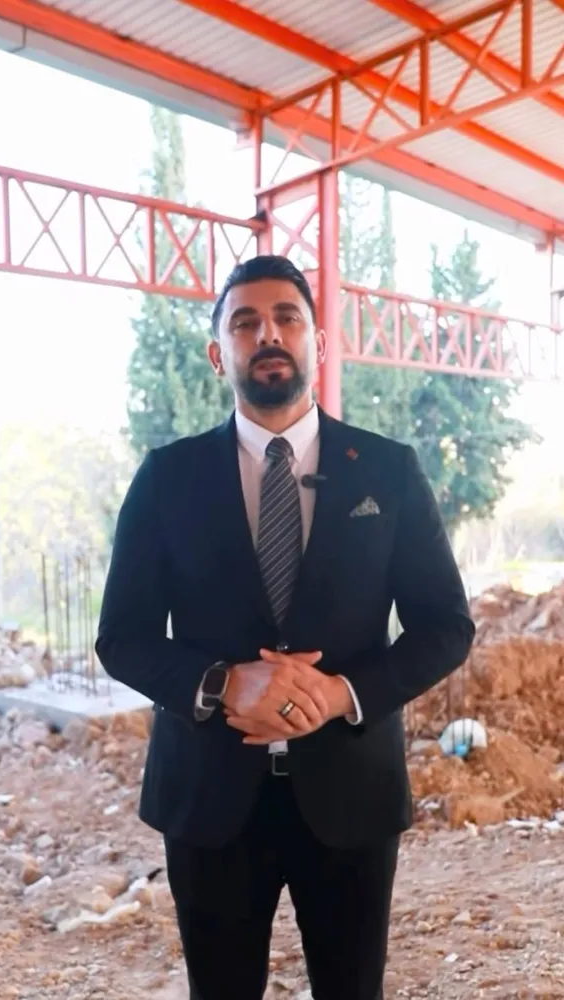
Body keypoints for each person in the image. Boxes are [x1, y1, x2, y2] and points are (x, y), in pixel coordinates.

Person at [96, 254, 475, 1000]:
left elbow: (446, 626)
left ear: (318, 343)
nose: (267, 334)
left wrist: (340, 694)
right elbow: (123, 636)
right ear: (218, 355)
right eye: (244, 323)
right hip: (209, 800)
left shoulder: (388, 472)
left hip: (351, 795)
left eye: (286, 317)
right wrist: (221, 684)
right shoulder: (166, 478)